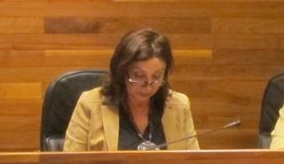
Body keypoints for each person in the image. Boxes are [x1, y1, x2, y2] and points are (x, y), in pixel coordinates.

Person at [63, 27, 198, 151]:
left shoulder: (179, 105)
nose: (148, 85)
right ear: (122, 71)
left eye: (157, 76)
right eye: (138, 75)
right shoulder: (90, 104)